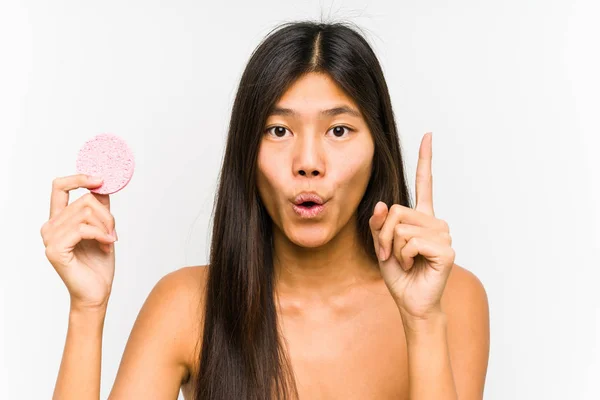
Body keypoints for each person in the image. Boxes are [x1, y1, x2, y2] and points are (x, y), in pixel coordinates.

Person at [42, 20, 490, 400]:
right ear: (246, 151)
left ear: (377, 146)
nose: (308, 162)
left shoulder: (451, 298)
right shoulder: (185, 306)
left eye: (338, 130)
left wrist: (422, 321)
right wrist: (87, 307)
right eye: (278, 130)